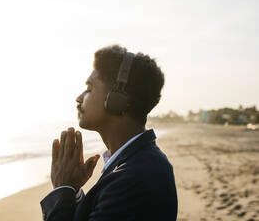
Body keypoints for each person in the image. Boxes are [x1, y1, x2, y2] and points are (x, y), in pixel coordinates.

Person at [40, 45, 178, 221]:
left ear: (116, 100)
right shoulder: (137, 163)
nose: (80, 97)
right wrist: (72, 192)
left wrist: (61, 188)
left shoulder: (133, 180)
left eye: (89, 88)